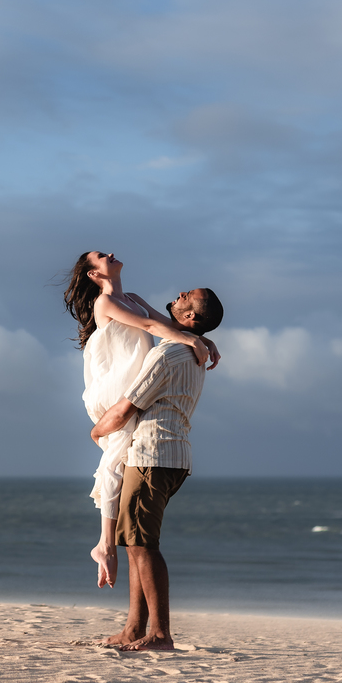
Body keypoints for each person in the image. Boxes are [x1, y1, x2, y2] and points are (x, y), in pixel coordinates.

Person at [64, 252, 219, 590]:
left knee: (117, 460)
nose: (109, 254)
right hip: (114, 388)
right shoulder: (105, 302)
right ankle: (105, 545)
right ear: (93, 274)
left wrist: (201, 337)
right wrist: (194, 338)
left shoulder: (132, 299)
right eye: (100, 257)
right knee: (116, 457)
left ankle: (104, 546)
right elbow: (150, 327)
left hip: (136, 384)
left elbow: (166, 326)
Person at [91, 286, 224, 651]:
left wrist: (96, 431)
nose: (179, 293)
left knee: (143, 545)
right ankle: (134, 628)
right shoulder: (191, 350)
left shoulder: (169, 355)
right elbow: (152, 317)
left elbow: (124, 409)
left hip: (152, 454)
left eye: (188, 296)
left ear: (191, 318)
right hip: (172, 456)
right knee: (137, 543)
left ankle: (160, 633)